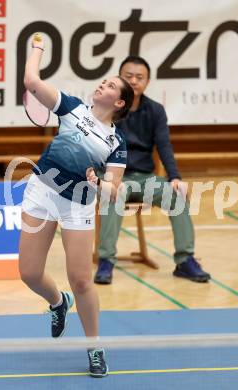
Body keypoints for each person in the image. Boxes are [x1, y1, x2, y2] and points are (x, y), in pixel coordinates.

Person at [19, 33, 134, 378]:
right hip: (41, 191)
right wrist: (37, 48)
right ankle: (58, 302)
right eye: (104, 81)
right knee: (29, 273)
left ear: (120, 103)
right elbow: (30, 81)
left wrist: (99, 183)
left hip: (78, 205)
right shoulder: (71, 107)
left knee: (82, 280)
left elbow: (114, 189)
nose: (103, 85)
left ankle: (95, 347)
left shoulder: (117, 143)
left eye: (111, 85)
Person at [94, 56, 211, 285]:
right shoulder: (108, 107)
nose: (134, 81)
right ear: (119, 79)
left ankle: (185, 260)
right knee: (113, 194)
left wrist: (175, 177)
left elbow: (164, 146)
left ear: (147, 82)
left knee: (176, 194)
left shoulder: (155, 110)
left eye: (140, 77)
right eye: (128, 77)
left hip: (145, 178)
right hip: (114, 178)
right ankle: (106, 260)